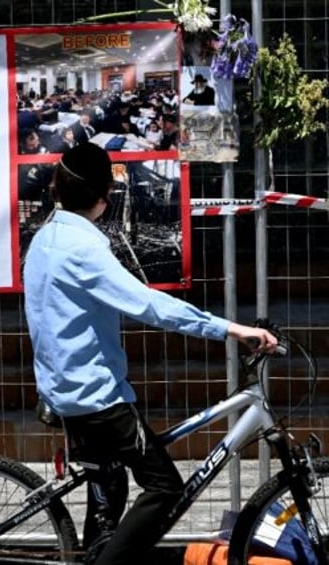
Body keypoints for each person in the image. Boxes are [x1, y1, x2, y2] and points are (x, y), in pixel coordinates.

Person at [22, 143, 278, 565]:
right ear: (104, 196)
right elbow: (152, 306)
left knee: (112, 494)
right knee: (165, 488)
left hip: (61, 388)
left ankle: (98, 551)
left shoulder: (44, 238)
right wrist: (233, 329)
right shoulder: (84, 250)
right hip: (96, 397)